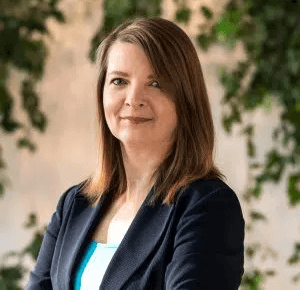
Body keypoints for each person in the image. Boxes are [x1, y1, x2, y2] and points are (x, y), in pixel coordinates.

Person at [25, 17, 244, 290]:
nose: (133, 98)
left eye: (155, 84)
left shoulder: (207, 206)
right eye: (119, 81)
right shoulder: (74, 204)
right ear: (101, 94)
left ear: (185, 99)